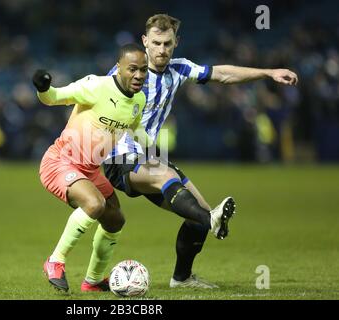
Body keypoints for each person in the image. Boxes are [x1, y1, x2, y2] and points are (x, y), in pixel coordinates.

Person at [103, 14, 298, 288]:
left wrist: (267, 73)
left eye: (167, 44)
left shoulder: (179, 70)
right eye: (156, 43)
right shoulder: (127, 73)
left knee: (198, 216)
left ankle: (181, 277)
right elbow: (95, 103)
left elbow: (223, 74)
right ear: (145, 41)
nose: (161, 50)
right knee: (172, 181)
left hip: (148, 158)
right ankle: (212, 219)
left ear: (176, 43)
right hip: (118, 159)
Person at [34, 43, 148, 292]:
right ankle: (55, 261)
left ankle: (93, 281)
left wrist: (149, 156)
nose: (139, 75)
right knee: (95, 205)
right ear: (118, 68)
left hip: (91, 170)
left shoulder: (139, 100)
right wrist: (43, 86)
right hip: (60, 162)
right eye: (132, 69)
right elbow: (53, 97)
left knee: (115, 219)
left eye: (143, 70)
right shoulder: (96, 86)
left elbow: (135, 132)